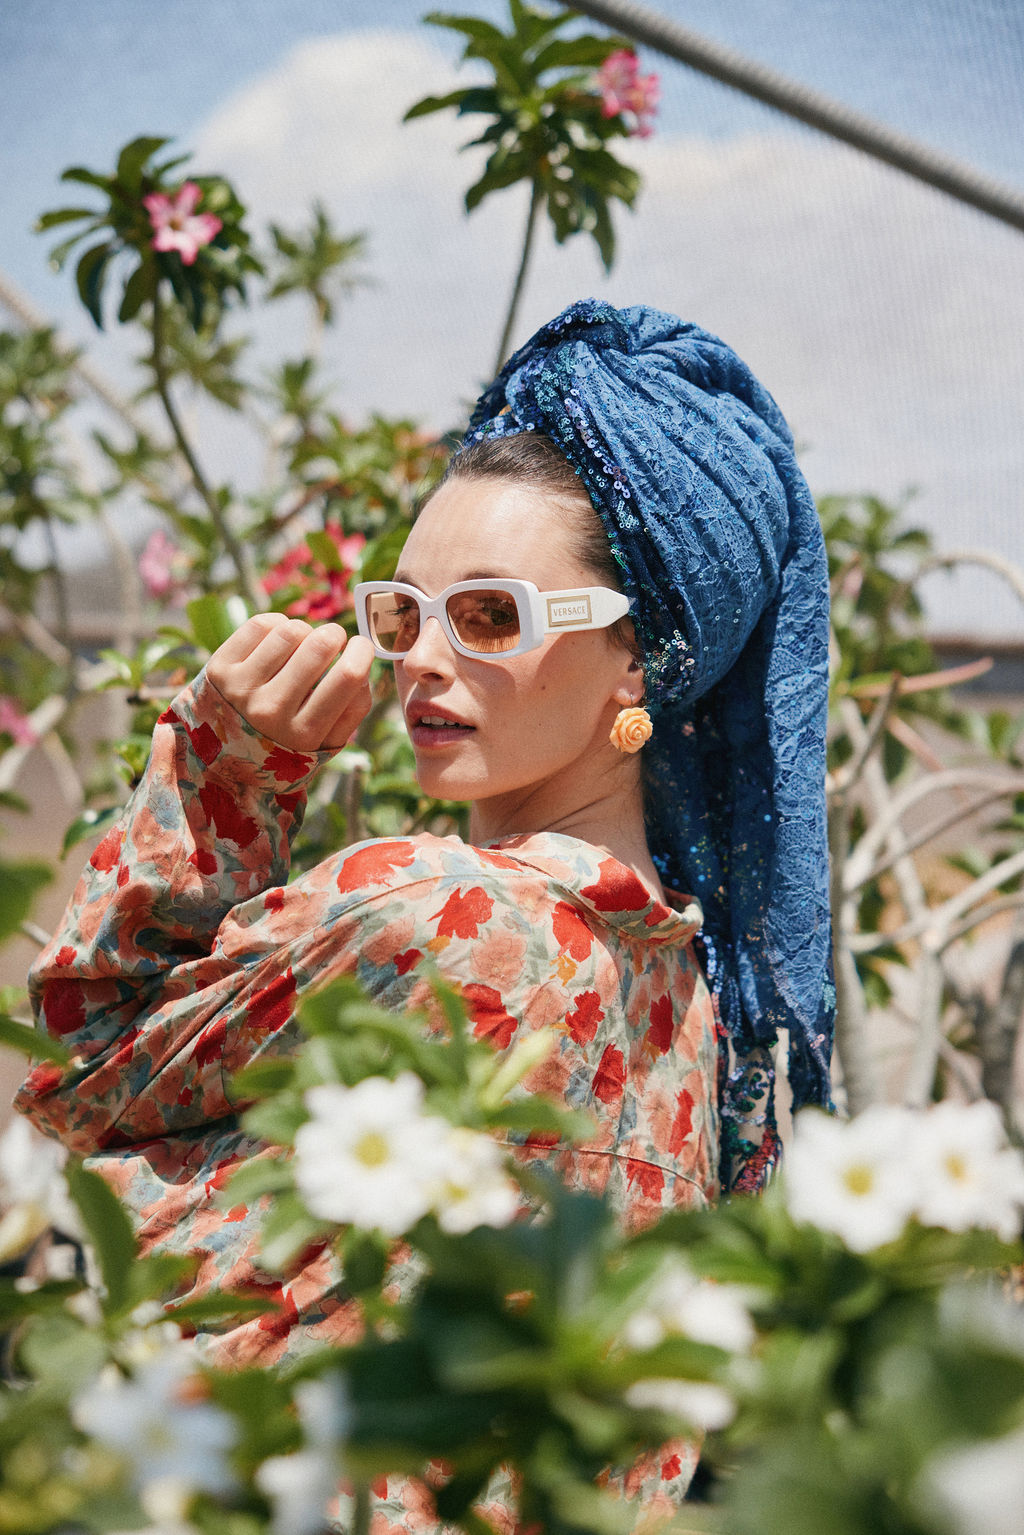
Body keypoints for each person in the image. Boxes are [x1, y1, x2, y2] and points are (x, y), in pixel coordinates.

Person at [15, 299, 834, 1521]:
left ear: (640, 655)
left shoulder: (432, 908)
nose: (421, 658)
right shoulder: (691, 997)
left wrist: (224, 763)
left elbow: (77, 1071)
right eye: (403, 612)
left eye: (491, 614)